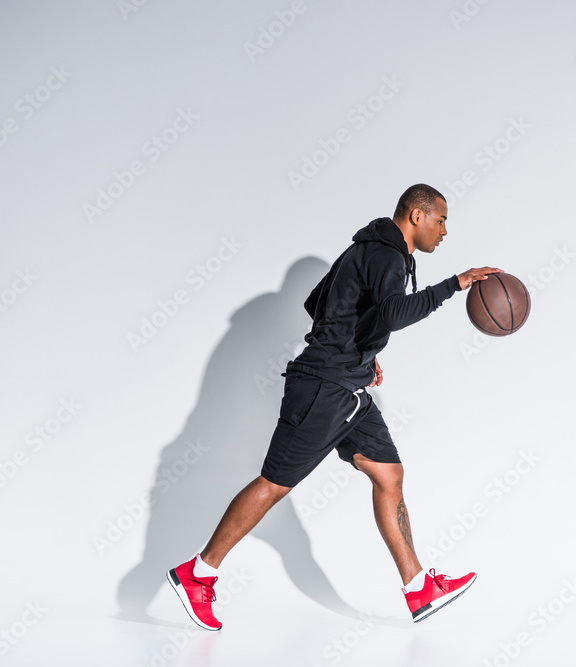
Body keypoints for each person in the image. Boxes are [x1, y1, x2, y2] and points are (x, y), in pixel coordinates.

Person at [167, 183, 502, 629]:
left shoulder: (368, 249)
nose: (444, 230)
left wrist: (362, 350)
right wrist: (455, 284)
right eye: (440, 220)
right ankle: (198, 573)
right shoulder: (386, 255)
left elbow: (317, 302)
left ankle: (418, 586)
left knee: (388, 473)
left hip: (348, 385)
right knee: (274, 484)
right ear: (417, 216)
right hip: (326, 387)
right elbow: (395, 314)